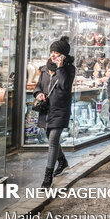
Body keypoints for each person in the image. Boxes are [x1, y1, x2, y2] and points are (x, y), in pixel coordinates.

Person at [33, 36, 76, 188]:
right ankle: (62, 161)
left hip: (60, 110)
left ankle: (48, 176)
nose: (53, 55)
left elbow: (65, 86)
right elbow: (38, 86)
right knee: (49, 137)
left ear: (63, 55)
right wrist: (38, 93)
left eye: (56, 52)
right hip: (46, 109)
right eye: (52, 51)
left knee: (52, 141)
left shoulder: (69, 69)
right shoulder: (45, 69)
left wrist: (61, 67)